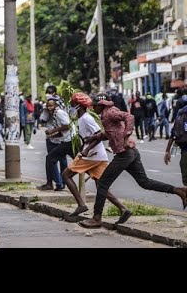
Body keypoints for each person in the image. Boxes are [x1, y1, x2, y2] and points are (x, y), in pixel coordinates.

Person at [78, 98, 187, 229]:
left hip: (124, 154)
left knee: (102, 183)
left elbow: (129, 116)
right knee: (144, 182)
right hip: (131, 153)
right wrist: (94, 137)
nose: (92, 109)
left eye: (94, 106)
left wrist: (126, 136)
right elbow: (109, 133)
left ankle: (96, 218)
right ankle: (179, 191)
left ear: (101, 105)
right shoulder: (107, 115)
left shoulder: (110, 112)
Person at [62, 93, 131, 223]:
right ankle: (123, 209)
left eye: (71, 105)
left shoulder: (86, 118)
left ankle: (81, 205)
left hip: (91, 155)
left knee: (66, 175)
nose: (70, 108)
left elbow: (98, 134)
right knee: (101, 186)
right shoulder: (81, 118)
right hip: (99, 156)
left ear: (78, 106)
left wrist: (86, 149)